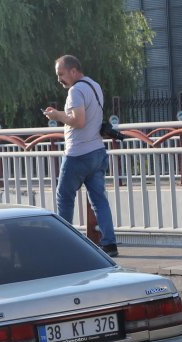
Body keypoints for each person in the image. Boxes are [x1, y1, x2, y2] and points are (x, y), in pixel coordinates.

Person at [44, 55, 118, 257]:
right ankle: (110, 244)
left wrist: (57, 115)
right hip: (97, 152)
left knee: (64, 198)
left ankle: (64, 244)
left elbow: (78, 121)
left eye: (61, 74)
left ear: (74, 71)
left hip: (78, 154)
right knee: (99, 200)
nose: (59, 79)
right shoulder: (94, 86)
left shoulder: (76, 90)